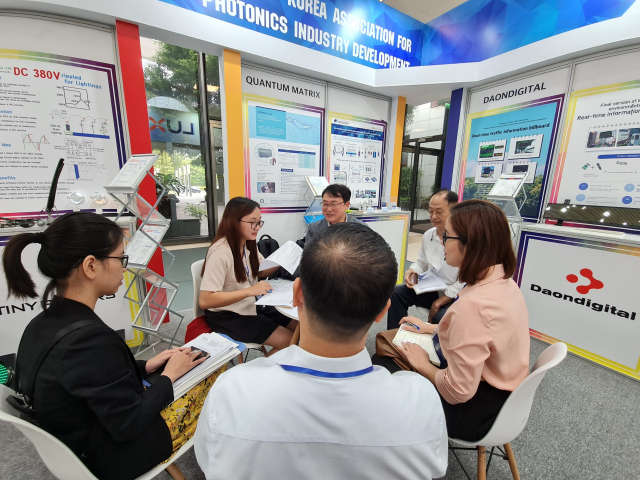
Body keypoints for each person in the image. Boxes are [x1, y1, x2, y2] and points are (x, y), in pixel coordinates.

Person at [194, 223, 448, 479]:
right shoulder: (421, 401)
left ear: (297, 294)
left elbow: (208, 462)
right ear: (383, 311)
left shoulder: (231, 392)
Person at [3, 212, 210, 480]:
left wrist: (146, 365)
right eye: (120, 258)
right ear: (91, 266)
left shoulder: (42, 323)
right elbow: (129, 423)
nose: (124, 267)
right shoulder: (89, 340)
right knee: (209, 385)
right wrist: (170, 375)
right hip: (110, 457)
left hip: (77, 442)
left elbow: (89, 378)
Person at [390, 200, 530, 442]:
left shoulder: (473, 306)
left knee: (387, 363)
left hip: (477, 410)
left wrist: (423, 363)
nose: (442, 243)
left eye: (448, 237)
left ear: (471, 244)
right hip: (508, 396)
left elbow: (457, 392)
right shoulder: (503, 283)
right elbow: (485, 333)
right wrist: (431, 327)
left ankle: (404, 449)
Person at [199, 197, 298, 354]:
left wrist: (283, 259)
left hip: (251, 305)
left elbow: (260, 271)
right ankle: (258, 376)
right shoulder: (220, 252)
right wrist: (250, 291)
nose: (257, 227)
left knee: (300, 328)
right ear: (234, 221)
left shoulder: (247, 243)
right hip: (228, 315)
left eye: (259, 222)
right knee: (288, 341)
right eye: (253, 222)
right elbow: (205, 300)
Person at [387, 189, 464, 329]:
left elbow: (464, 280)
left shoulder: (462, 239)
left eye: (439, 212)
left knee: (440, 317)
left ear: (454, 210)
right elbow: (421, 262)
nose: (433, 216)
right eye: (430, 211)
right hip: (433, 288)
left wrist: (440, 301)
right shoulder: (429, 234)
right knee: (397, 294)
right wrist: (412, 270)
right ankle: (394, 339)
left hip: (455, 295)